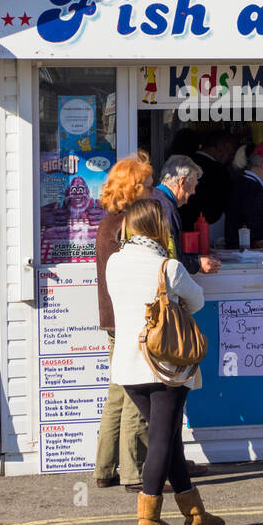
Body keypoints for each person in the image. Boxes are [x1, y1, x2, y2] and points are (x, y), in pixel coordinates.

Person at [107, 198, 225, 525]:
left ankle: (195, 513)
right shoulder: (168, 267)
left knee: (169, 438)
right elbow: (198, 300)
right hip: (165, 367)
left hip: (128, 367)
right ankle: (148, 518)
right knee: (161, 439)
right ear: (159, 228)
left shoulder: (114, 262)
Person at [92, 153, 152, 491]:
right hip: (130, 318)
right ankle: (135, 473)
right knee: (136, 393)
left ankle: (104, 469)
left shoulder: (108, 220)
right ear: (136, 187)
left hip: (113, 317)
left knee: (117, 392)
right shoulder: (130, 224)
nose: (152, 188)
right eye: (147, 183)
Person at [152, 155, 222, 276]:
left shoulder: (153, 197)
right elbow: (172, 258)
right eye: (194, 186)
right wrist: (197, 263)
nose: (194, 192)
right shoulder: (168, 210)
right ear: (182, 181)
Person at [179, 131, 237, 246]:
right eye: (230, 152)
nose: (230, 157)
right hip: (211, 229)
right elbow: (230, 201)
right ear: (221, 146)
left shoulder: (182, 164)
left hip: (182, 225)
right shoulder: (218, 170)